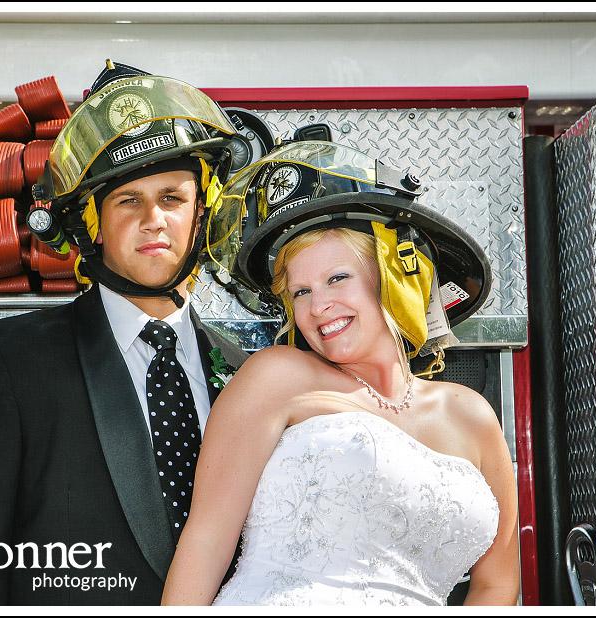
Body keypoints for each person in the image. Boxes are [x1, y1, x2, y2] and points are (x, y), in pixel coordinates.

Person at [0, 61, 247, 605]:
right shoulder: (7, 362)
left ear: (202, 214)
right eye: (128, 200)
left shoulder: (246, 375)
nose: (154, 220)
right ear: (90, 221)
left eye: (172, 198)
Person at [161, 141, 520, 605]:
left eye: (337, 278)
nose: (317, 306)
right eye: (300, 292)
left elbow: (498, 583)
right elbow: (206, 542)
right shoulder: (277, 376)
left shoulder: (471, 415)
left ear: (390, 279)